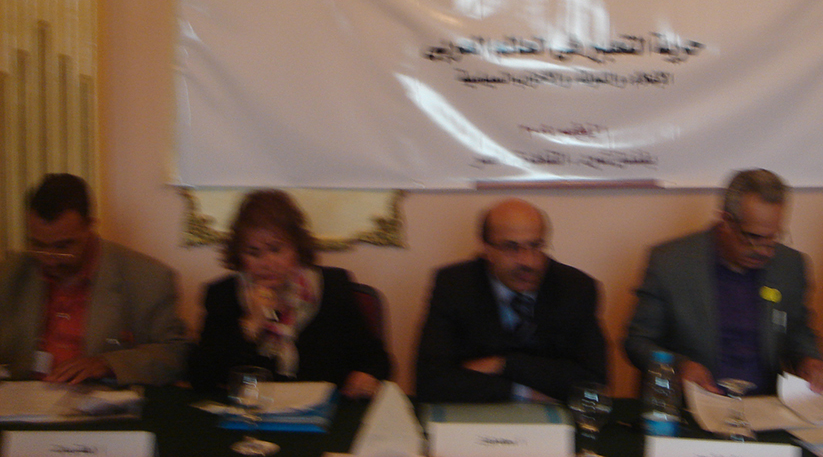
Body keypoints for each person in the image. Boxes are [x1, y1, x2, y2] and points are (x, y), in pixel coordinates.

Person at [624, 169, 823, 395]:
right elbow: (638, 342)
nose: (765, 251)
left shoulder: (790, 265)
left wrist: (810, 361)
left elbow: (798, 332)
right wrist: (679, 367)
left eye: (773, 237)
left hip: (765, 403)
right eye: (754, 237)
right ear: (725, 221)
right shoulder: (671, 263)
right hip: (693, 402)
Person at [188, 189, 390, 396]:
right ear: (239, 256)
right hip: (253, 410)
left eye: (276, 250)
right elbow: (201, 378)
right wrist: (250, 325)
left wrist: (368, 375)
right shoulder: (223, 295)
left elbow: (378, 361)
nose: (267, 263)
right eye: (253, 253)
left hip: (323, 410)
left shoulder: (333, 287)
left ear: (296, 248)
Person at [0, 173, 188, 385]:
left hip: (99, 400)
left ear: (90, 226)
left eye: (63, 247)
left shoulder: (148, 278)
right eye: (38, 245)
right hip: (25, 398)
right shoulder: (11, 273)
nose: (49, 259)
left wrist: (107, 364)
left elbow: (175, 355)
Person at [415, 198, 607, 403]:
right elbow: (430, 382)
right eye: (511, 247)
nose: (528, 261)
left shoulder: (575, 288)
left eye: (535, 246)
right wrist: (521, 393)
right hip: (477, 415)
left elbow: (593, 385)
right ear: (486, 250)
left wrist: (504, 364)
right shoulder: (454, 285)